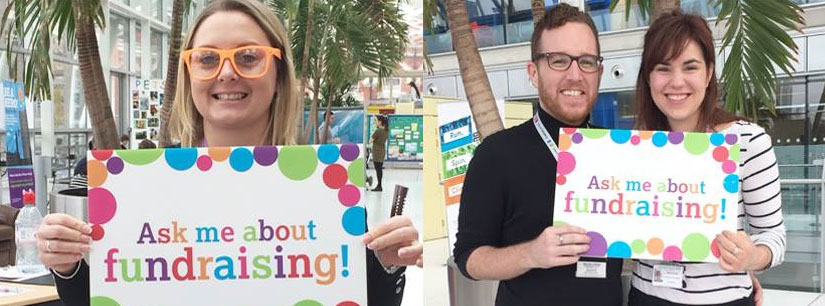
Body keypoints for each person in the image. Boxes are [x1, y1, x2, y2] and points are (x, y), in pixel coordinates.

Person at [35, 1, 422, 305]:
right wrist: (67, 266)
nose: (226, 73)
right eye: (206, 59)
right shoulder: (136, 187)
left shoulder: (324, 192)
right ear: (189, 76)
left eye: (248, 57)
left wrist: (387, 264)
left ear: (278, 74)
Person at [453, 4, 622, 305]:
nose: (575, 74)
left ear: (599, 71)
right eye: (558, 61)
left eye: (586, 61)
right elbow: (468, 258)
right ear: (534, 71)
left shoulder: (617, 152)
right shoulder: (496, 154)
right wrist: (531, 254)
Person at [629, 11, 784, 306]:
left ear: (709, 72)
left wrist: (752, 257)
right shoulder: (637, 146)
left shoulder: (749, 142)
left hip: (724, 300)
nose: (676, 82)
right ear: (648, 77)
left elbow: (773, 236)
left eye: (690, 67)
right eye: (663, 68)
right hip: (647, 296)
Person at [371, 115, 389, 192]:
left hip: (376, 151)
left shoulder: (378, 131)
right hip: (382, 151)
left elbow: (370, 140)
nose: (375, 122)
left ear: (380, 122)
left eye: (376, 120)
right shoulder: (386, 130)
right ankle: (379, 185)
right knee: (380, 169)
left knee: (377, 169)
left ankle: (379, 186)